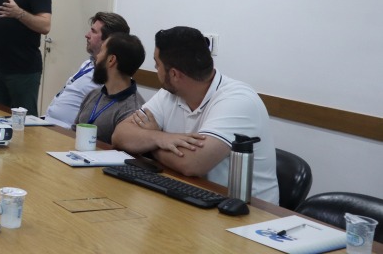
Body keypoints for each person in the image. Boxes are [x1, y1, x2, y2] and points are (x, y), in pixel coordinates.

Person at [112, 26, 279, 204]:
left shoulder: (238, 100)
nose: (155, 69)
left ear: (174, 74)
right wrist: (160, 138)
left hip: (246, 210)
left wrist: (150, 142)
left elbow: (192, 164)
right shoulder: (170, 94)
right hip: (192, 195)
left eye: (157, 64)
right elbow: (120, 134)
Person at [45, 12, 131, 128]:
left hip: (68, 131)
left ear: (108, 40)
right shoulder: (88, 63)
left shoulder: (111, 75)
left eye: (94, 32)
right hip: (49, 122)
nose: (87, 35)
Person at [72, 33, 145, 144]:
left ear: (111, 60)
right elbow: (73, 132)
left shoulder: (133, 110)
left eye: (101, 51)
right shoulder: (93, 94)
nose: (97, 57)